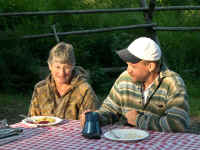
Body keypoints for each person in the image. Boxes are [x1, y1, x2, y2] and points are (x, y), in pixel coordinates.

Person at [81, 37, 190, 132]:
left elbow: (178, 123)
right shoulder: (124, 79)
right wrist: (95, 117)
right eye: (127, 65)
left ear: (150, 66)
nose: (128, 70)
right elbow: (110, 110)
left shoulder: (172, 83)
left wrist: (138, 120)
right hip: (126, 143)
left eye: (133, 66)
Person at [28, 42, 99, 120]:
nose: (62, 73)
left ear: (73, 66)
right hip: (43, 132)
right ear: (50, 66)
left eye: (66, 67)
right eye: (57, 67)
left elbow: (92, 122)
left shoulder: (84, 90)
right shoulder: (40, 88)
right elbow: (33, 120)